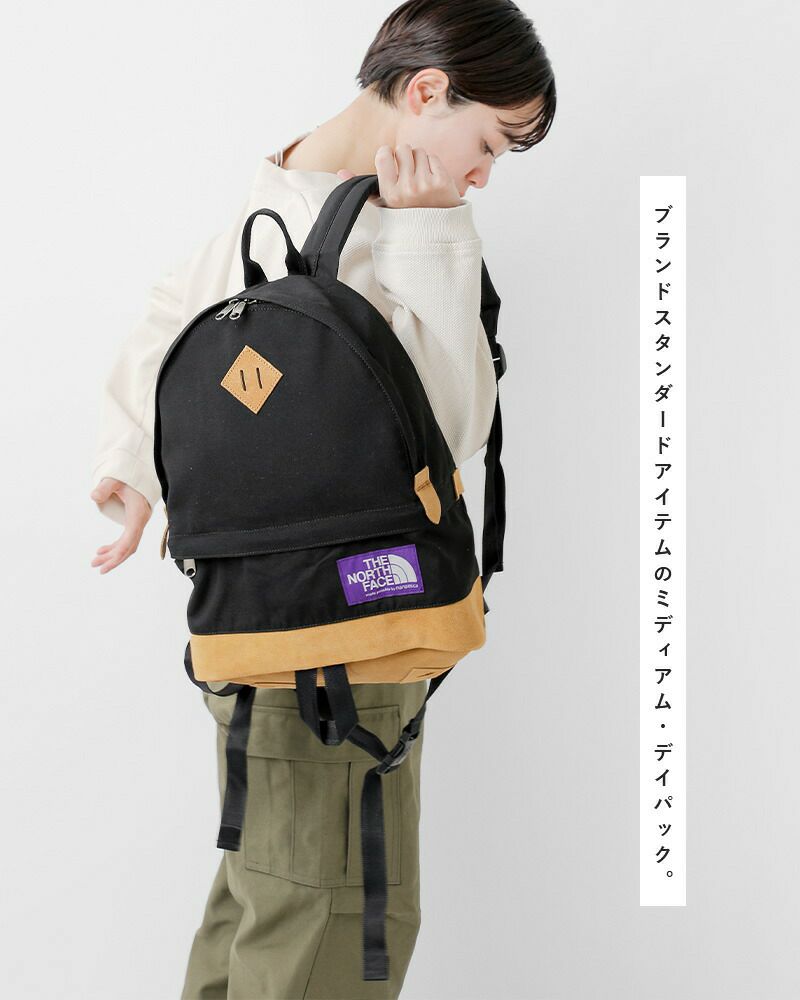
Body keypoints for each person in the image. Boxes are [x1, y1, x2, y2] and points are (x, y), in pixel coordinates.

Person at [88, 1, 555, 996]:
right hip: (343, 627)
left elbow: (172, 325)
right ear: (426, 90)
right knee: (328, 908)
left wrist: (127, 467)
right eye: (489, 143)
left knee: (278, 895)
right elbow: (453, 425)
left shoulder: (276, 193)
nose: (482, 174)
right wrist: (435, 232)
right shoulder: (391, 221)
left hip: (254, 618)